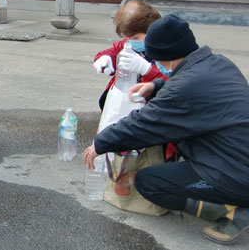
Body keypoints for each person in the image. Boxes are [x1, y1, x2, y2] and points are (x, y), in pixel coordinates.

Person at [84, 14, 249, 245]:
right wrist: (155, 84)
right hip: (236, 156)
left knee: (150, 183)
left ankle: (233, 211)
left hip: (236, 173)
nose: (157, 64)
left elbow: (143, 125)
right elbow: (187, 85)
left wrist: (101, 143)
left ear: (168, 56)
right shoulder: (218, 63)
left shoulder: (184, 87)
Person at [93, 0, 166, 112]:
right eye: (128, 37)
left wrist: (148, 70)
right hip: (122, 101)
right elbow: (113, 51)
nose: (132, 41)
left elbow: (177, 82)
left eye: (136, 38)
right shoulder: (128, 42)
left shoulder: (167, 48)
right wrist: (106, 59)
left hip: (150, 106)